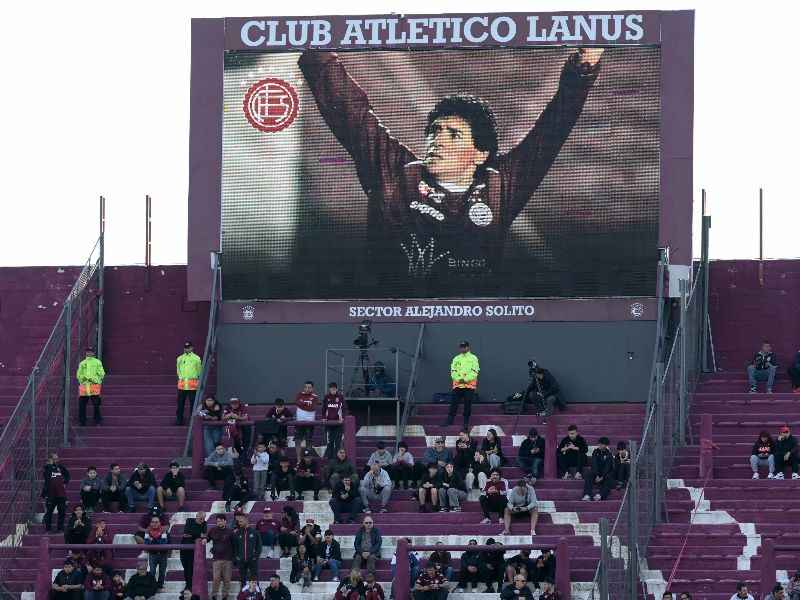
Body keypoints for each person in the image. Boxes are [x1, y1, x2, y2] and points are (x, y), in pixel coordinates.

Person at [445, 341, 479, 428]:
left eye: (464, 347)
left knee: (467, 404)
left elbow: (475, 371)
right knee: (454, 403)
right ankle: (449, 421)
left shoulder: (473, 358)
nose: (462, 348)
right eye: (461, 347)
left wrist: (465, 380)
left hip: (469, 386)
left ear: (468, 347)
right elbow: (453, 371)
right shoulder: (456, 358)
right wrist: (458, 379)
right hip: (458, 386)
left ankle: (466, 422)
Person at [208, 514, 234, 600]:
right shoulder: (212, 530)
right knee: (216, 579)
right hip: (216, 559)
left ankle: (225, 597)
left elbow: (235, 544)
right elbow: (207, 538)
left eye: (220, 521)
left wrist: (234, 557)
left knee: (227, 579)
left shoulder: (230, 531)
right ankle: (214, 596)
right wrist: (204, 539)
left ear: (225, 521)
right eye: (218, 521)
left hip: (228, 559)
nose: (219, 523)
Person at [77, 347, 106, 426]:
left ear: (93, 353)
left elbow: (102, 374)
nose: (89, 353)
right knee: (82, 405)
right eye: (88, 351)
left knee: (96, 405)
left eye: (91, 351)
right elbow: (78, 375)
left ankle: (97, 421)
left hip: (94, 387)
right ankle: (82, 421)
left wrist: (94, 379)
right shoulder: (82, 363)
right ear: (86, 353)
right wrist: (83, 378)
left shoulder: (97, 362)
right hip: (84, 387)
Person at [232, 512, 263, 587]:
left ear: (246, 520)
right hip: (241, 560)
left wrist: (255, 557)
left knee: (254, 579)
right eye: (238, 522)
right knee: (243, 580)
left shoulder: (255, 532)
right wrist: (237, 557)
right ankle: (243, 593)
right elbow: (235, 547)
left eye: (241, 521)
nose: (239, 523)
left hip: (252, 559)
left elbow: (259, 546)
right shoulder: (237, 533)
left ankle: (256, 593)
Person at [42, 452, 70, 532]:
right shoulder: (47, 468)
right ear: (50, 459)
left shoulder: (61, 467)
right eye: (54, 459)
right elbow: (47, 477)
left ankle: (60, 528)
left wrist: (65, 482)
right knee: (49, 512)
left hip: (61, 493)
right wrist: (50, 465)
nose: (56, 460)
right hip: (51, 494)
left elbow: (67, 475)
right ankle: (48, 529)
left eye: (57, 458)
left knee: (62, 511)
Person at [176, 341, 202, 425]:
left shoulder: (196, 358)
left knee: (193, 404)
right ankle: (179, 420)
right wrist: (181, 377)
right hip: (182, 385)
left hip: (192, 385)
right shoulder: (180, 358)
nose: (187, 349)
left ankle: (192, 421)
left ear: (192, 348)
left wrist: (196, 378)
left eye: (189, 347)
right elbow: (178, 369)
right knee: (180, 404)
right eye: (186, 348)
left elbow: (199, 370)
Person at [180, 511, 207, 590]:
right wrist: (198, 535)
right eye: (201, 518)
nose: (202, 520)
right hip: (184, 547)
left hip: (193, 550)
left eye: (203, 519)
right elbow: (186, 533)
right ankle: (188, 585)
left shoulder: (204, 523)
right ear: (196, 516)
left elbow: (204, 535)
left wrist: (193, 534)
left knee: (190, 568)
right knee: (185, 567)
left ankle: (189, 586)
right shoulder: (189, 520)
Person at [143, 515, 169, 590]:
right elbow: (146, 543)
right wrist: (155, 541)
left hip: (163, 554)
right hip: (152, 554)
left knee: (162, 572)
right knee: (152, 571)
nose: (154, 524)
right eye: (153, 522)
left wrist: (152, 540)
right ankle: (152, 585)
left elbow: (163, 543)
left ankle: (160, 586)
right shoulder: (147, 531)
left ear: (160, 523)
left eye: (156, 522)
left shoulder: (164, 531)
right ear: (150, 523)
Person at [294, 381, 319, 459]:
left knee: (309, 441)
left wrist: (303, 403)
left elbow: (312, 407)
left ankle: (308, 459)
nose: (307, 389)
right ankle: (298, 459)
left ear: (312, 388)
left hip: (309, 422)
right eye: (306, 387)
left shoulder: (315, 396)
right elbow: (297, 402)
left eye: (309, 387)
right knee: (297, 440)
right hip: (299, 422)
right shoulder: (299, 394)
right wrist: (307, 404)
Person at [323, 382, 346, 458]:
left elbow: (344, 408)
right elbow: (324, 408)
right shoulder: (326, 397)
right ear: (329, 389)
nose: (333, 390)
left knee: (338, 443)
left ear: (336, 389)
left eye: (334, 389)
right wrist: (324, 417)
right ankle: (330, 459)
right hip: (329, 424)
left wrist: (342, 418)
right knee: (330, 443)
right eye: (331, 388)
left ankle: (337, 459)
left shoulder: (340, 397)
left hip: (338, 424)